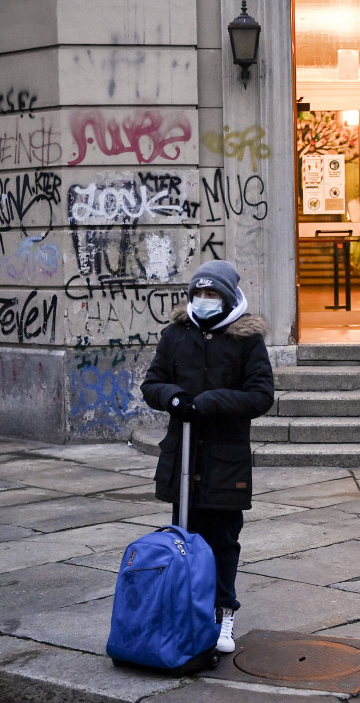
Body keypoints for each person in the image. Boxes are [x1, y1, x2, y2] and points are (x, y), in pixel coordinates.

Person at [141, 260, 274, 654]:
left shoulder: (246, 340)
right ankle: (186, 609)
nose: (203, 301)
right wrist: (174, 397)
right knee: (184, 537)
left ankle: (223, 614)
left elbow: (261, 395)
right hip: (183, 457)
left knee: (222, 539)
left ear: (228, 298)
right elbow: (153, 383)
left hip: (224, 460)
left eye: (212, 294)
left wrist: (212, 402)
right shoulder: (175, 335)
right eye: (198, 294)